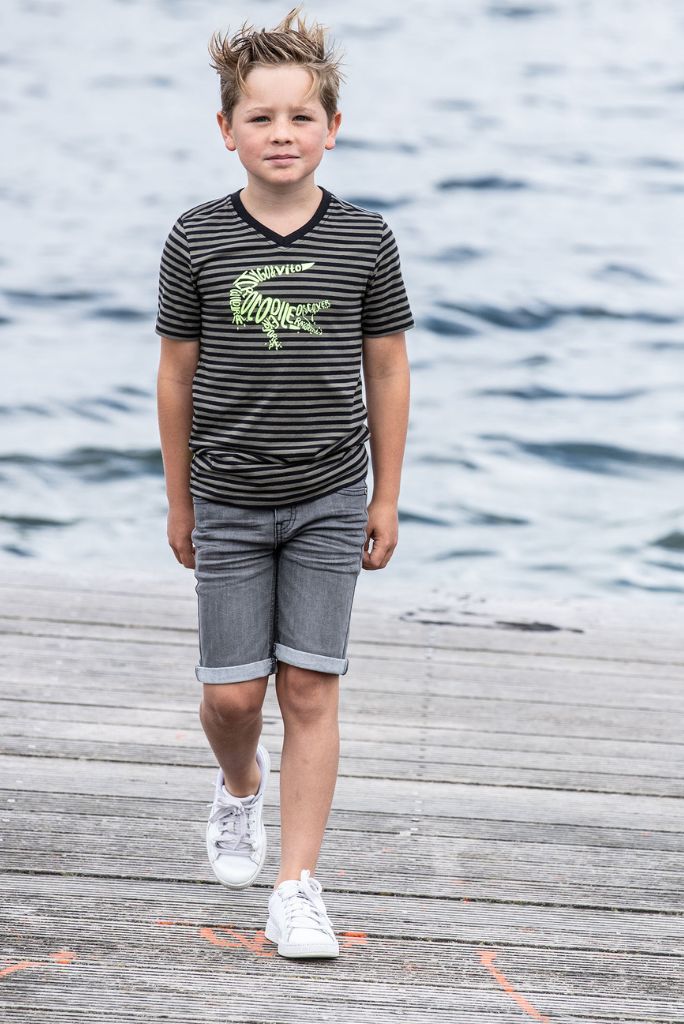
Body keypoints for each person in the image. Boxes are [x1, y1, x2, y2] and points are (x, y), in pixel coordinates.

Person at [155, 4, 414, 960]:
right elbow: (176, 372)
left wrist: (385, 495)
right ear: (226, 131)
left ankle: (297, 886)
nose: (281, 134)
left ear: (332, 129)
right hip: (225, 496)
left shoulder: (365, 239)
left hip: (331, 494)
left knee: (309, 686)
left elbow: (385, 365)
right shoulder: (197, 239)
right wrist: (178, 497)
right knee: (233, 699)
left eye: (301, 117)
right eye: (260, 118)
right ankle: (239, 786)